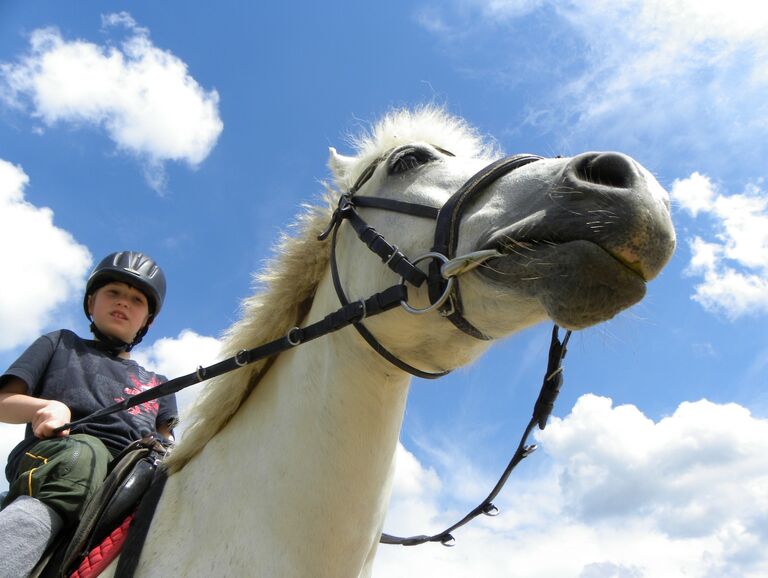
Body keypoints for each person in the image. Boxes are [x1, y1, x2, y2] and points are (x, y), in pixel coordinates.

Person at [0, 251, 178, 577]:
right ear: (91, 302)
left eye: (136, 299)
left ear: (147, 320)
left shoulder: (161, 385)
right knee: (84, 455)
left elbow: (169, 435)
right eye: (113, 293)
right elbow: (3, 401)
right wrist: (45, 407)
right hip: (59, 457)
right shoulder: (60, 344)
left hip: (127, 474)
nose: (123, 303)